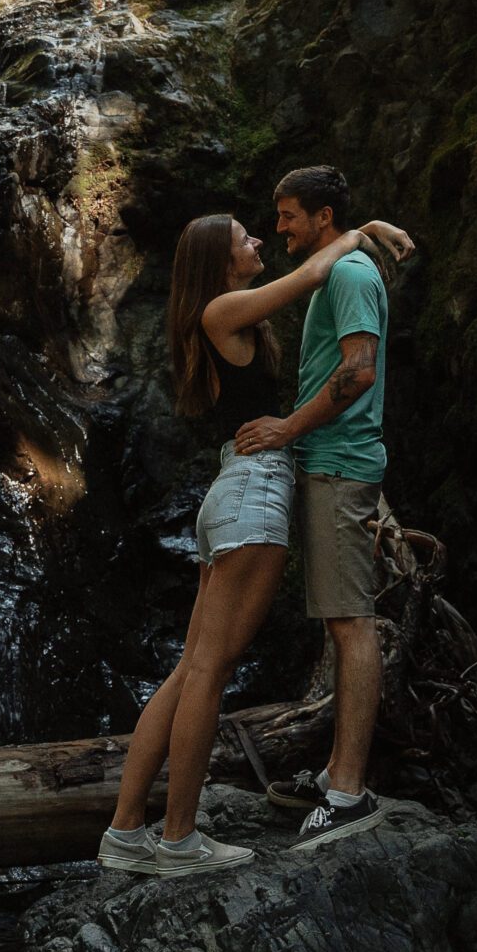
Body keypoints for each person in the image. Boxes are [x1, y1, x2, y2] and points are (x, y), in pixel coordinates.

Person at [100, 202, 413, 878]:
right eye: (245, 236)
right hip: (252, 496)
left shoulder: (225, 316)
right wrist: (365, 231)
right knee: (207, 673)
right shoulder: (219, 310)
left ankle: (126, 833)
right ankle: (178, 840)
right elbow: (310, 276)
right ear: (219, 260)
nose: (259, 238)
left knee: (191, 669)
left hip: (233, 495)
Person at [232, 165, 392, 848]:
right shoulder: (338, 270)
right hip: (326, 467)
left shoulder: (351, 276)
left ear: (322, 218)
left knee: (352, 624)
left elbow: (359, 370)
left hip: (335, 467)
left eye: (290, 215)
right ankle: (334, 776)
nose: (279, 228)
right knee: (338, 621)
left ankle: (349, 792)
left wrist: (287, 428)